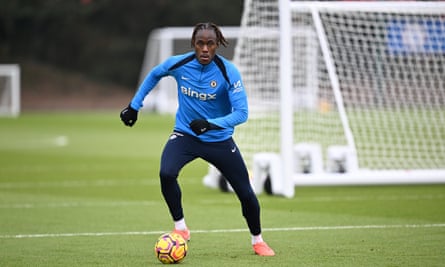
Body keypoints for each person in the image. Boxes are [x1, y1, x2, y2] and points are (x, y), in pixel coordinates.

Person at [120, 22, 275, 257]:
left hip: (219, 139)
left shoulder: (228, 71)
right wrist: (134, 106)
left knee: (245, 193)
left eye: (210, 44)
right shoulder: (180, 63)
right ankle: (180, 228)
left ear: (217, 45)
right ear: (194, 44)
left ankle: (258, 241)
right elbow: (154, 74)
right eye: (200, 43)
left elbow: (242, 113)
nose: (204, 49)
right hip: (186, 134)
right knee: (166, 173)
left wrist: (211, 124)